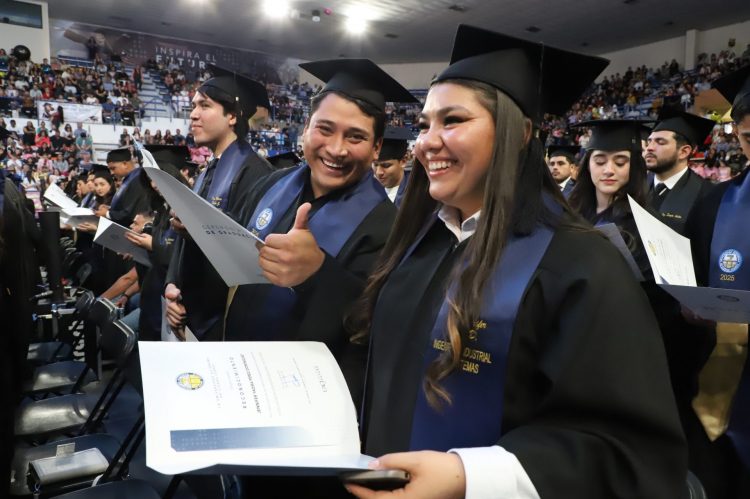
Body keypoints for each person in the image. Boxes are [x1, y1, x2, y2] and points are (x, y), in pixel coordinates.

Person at [347, 25, 686, 499]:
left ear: (521, 133)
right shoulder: (420, 243)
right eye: (424, 125)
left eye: (453, 120)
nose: (426, 142)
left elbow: (624, 449)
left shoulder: (580, 264)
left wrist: (467, 476)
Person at [164, 66, 273, 342]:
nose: (193, 114)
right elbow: (182, 243)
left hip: (223, 318)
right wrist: (172, 287)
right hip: (190, 308)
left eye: (204, 105)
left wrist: (198, 229)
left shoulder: (256, 172)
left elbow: (248, 253)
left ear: (232, 116)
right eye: (193, 106)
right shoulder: (206, 171)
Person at [684, 63, 750, 499]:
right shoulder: (716, 203)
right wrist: (690, 307)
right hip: (719, 393)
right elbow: (692, 282)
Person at [567, 120, 653, 276]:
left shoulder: (645, 223)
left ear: (633, 167)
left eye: (620, 162)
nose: (608, 170)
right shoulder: (568, 211)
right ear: (588, 165)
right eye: (600, 161)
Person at [125, 145, 191, 340]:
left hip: (171, 295)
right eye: (150, 179)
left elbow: (180, 256)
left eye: (157, 178)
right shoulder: (162, 208)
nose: (153, 185)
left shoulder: (186, 208)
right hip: (154, 290)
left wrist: (152, 244)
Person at [644, 105, 716, 234]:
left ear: (684, 152)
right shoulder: (636, 186)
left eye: (660, 142)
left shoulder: (708, 195)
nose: (649, 147)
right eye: (649, 141)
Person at [105, 146, 151, 227]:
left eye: (113, 168)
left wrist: (107, 213)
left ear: (125, 164)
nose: (111, 173)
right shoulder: (130, 178)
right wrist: (109, 209)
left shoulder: (138, 178)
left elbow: (131, 212)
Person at [373, 126, 413, 205]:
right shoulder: (368, 190)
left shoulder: (416, 194)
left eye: (386, 165)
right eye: (375, 165)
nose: (378, 172)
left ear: (403, 162)